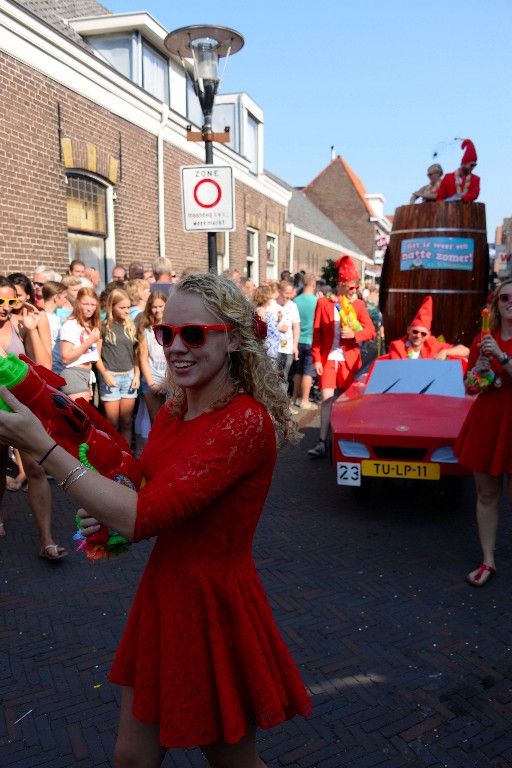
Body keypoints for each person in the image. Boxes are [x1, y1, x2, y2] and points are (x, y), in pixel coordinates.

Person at [0, 273, 312, 766]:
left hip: (215, 601)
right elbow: (144, 488)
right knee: (132, 757)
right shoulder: (177, 408)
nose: (175, 348)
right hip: (166, 592)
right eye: (167, 334)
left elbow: (143, 515)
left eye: (193, 334)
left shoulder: (245, 421)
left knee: (231, 760)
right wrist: (106, 507)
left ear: (232, 338)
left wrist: (43, 446)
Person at [0, 275, 67, 558]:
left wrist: (33, 329)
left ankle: (46, 541)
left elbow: (45, 365)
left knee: (37, 469)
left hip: (20, 408)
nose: (5, 306)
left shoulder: (18, 325)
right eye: (0, 300)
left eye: (10, 300)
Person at [454, 282, 512, 587]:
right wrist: (479, 371)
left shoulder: (497, 346)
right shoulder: (482, 340)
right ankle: (488, 560)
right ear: (496, 302)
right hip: (488, 422)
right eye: (505, 296)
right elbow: (470, 387)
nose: (510, 301)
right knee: (487, 494)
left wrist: (501, 357)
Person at [309, 255, 375, 458]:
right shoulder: (323, 303)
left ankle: (344, 439)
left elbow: (370, 331)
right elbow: (317, 333)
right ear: (341, 285)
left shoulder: (359, 306)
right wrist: (317, 359)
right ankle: (322, 442)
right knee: (327, 399)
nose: (355, 291)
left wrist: (355, 335)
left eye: (356, 287)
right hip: (328, 357)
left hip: (349, 359)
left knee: (346, 401)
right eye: (351, 287)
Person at [95, 288, 139, 445]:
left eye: (128, 307)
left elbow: (137, 354)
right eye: (122, 307)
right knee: (112, 423)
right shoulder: (103, 326)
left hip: (129, 377)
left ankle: (126, 455)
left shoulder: (132, 326)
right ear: (112, 307)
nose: (127, 311)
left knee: (127, 422)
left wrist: (137, 374)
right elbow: (96, 355)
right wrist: (104, 374)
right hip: (110, 377)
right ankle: (112, 455)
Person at [388, 296, 469, 360]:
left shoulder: (432, 344)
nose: (418, 335)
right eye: (415, 331)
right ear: (408, 330)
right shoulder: (397, 346)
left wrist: (445, 352)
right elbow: (397, 369)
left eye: (423, 333)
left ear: (428, 335)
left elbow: (465, 350)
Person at [60, 287, 101, 402]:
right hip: (74, 374)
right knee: (79, 417)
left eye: (93, 304)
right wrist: (89, 342)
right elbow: (66, 358)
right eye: (85, 304)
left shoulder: (91, 325)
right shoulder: (70, 324)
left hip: (87, 374)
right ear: (78, 304)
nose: (89, 308)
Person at [137, 290, 169, 424]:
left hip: (169, 380)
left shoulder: (172, 327)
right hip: (151, 380)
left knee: (169, 420)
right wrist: (151, 383)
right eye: (154, 307)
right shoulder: (146, 329)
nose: (157, 310)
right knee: (155, 421)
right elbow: (143, 358)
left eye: (161, 306)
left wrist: (168, 383)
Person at [291, 273, 318, 409]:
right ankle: (305, 400)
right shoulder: (317, 302)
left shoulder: (296, 301)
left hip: (297, 341)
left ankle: (294, 397)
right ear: (314, 285)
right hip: (311, 340)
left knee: (298, 371)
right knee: (308, 371)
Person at [275, 280, 300, 395]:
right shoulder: (272, 305)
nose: (288, 296)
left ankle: (282, 404)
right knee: (273, 375)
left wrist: (295, 346)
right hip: (274, 348)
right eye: (286, 293)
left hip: (288, 347)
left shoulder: (292, 306)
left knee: (285, 375)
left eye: (290, 293)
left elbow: (296, 326)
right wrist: (278, 327)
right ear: (280, 292)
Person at [253, 284, 281, 365]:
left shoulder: (263, 310)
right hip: (268, 350)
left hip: (271, 349)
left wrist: (278, 320)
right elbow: (259, 329)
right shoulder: (261, 311)